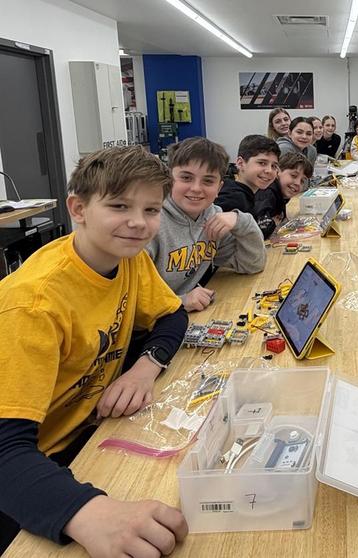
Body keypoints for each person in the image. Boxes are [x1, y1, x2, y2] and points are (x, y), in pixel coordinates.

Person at [0, 146, 189, 556]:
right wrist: (86, 511)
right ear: (79, 208)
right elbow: (5, 451)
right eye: (119, 205)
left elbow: (173, 316)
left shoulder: (128, 256)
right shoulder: (33, 305)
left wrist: (144, 368)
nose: (138, 223)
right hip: (30, 468)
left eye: (152, 210)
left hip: (90, 436)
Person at [148, 137, 266, 313]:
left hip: (184, 318)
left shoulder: (214, 217)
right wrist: (180, 302)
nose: (196, 188)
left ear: (219, 188)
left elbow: (252, 265)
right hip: (152, 326)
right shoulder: (150, 223)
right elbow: (130, 299)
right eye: (186, 178)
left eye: (208, 181)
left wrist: (241, 221)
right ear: (169, 180)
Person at [214, 134, 281, 237]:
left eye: (274, 166)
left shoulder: (244, 193)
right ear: (240, 163)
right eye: (262, 163)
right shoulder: (234, 198)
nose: (269, 170)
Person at [254, 152, 314, 238]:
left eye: (302, 181)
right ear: (278, 171)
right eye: (293, 175)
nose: (297, 183)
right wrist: (274, 223)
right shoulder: (267, 194)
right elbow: (261, 230)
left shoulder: (281, 193)